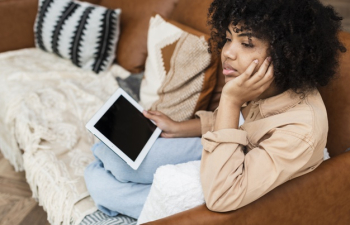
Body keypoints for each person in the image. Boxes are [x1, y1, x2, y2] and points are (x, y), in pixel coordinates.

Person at [84, 0, 346, 218]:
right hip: (224, 147)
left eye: (246, 43)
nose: (228, 52)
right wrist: (180, 128)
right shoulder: (264, 83)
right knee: (108, 148)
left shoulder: (300, 130)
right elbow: (238, 122)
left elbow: (223, 195)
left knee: (101, 177)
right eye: (229, 38)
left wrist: (231, 100)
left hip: (226, 182)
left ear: (287, 54)